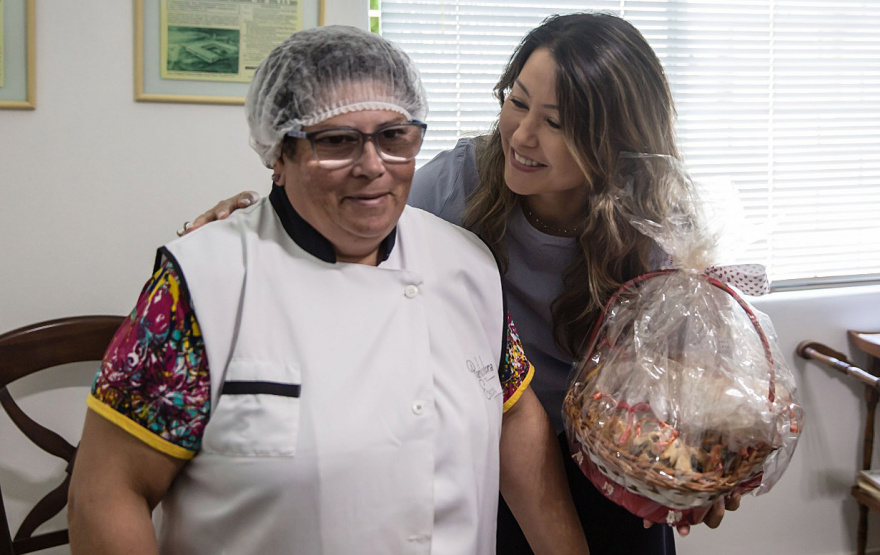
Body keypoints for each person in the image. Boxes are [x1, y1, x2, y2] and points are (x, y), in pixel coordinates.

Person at [183, 12, 741, 554]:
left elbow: (694, 386)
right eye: (516, 102)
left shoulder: (663, 230)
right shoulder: (459, 184)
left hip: (615, 472)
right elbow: (350, 213)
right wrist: (252, 221)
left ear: (613, 137)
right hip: (489, 460)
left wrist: (707, 463)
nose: (522, 135)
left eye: (556, 122)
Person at [67, 25, 588, 555]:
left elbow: (513, 410)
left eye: (394, 137)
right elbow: (107, 492)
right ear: (279, 153)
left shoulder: (467, 265)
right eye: (337, 142)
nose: (372, 167)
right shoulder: (199, 286)